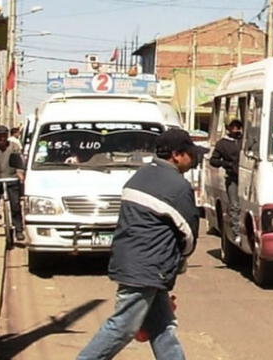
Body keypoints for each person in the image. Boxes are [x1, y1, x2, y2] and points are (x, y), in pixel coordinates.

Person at [77, 129, 207, 360]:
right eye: (190, 154)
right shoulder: (177, 186)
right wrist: (180, 259)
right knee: (122, 327)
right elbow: (188, 235)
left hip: (131, 262)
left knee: (162, 326)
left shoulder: (140, 176)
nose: (193, 159)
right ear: (176, 155)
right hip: (148, 268)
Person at [210, 119, 243, 243]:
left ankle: (243, 231)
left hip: (247, 177)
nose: (235, 129)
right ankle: (236, 232)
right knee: (234, 205)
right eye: (233, 127)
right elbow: (213, 160)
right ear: (228, 128)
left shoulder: (244, 141)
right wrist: (226, 164)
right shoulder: (222, 144)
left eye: (238, 126)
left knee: (246, 206)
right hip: (232, 178)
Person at [0, 126, 25, 240]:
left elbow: (19, 162)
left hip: (11, 178)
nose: (2, 138)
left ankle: (18, 230)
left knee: (15, 206)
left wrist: (20, 173)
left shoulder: (14, 147)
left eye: (4, 135)